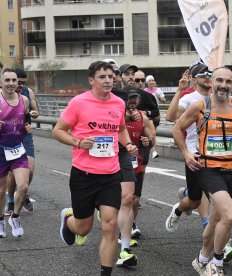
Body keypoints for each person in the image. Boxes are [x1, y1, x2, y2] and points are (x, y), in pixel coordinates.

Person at [52, 61, 138, 276]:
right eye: (102, 77)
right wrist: (78, 142)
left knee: (110, 226)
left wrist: (127, 143)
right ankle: (68, 221)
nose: (108, 80)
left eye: (111, 76)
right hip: (84, 174)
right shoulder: (78, 103)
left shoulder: (119, 103)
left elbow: (120, 129)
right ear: (91, 80)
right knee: (84, 228)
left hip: (111, 173)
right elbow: (58, 131)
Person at [172, 67, 232, 275]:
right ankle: (217, 263)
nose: (223, 85)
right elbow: (176, 128)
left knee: (216, 219)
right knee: (229, 216)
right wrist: (186, 153)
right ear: (212, 82)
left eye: (228, 82)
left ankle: (201, 258)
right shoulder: (199, 106)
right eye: (219, 80)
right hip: (209, 169)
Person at [165, 63, 211, 232]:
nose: (207, 76)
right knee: (194, 200)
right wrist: (179, 90)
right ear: (194, 79)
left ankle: (215, 234)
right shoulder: (188, 98)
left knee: (217, 195)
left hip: (216, 154)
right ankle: (178, 209)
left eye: (210, 73)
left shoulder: (218, 97)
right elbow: (170, 117)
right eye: (203, 74)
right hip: (195, 154)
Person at [0, 68, 31, 238]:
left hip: (17, 149)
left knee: (24, 186)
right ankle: (0, 221)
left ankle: (16, 217)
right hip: (0, 150)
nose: (11, 83)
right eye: (7, 80)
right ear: (1, 83)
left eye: (14, 80)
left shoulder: (24, 100)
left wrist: (27, 127)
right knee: (0, 191)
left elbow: (25, 120)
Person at [5, 67, 39, 215]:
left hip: (24, 134)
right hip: (8, 136)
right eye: (18, 81)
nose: (20, 85)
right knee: (12, 172)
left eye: (22, 82)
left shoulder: (27, 93)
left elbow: (35, 112)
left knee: (30, 170)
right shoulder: (2, 94)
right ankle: (11, 200)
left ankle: (23, 193)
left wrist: (33, 113)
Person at [125, 90, 153, 251]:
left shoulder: (142, 117)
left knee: (134, 199)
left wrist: (146, 140)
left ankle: (130, 223)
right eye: (129, 98)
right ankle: (124, 231)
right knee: (124, 199)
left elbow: (151, 139)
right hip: (117, 163)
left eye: (135, 98)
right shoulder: (117, 115)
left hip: (136, 163)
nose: (132, 101)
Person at [133, 69, 160, 159]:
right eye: (137, 80)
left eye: (142, 80)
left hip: (143, 131)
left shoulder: (147, 95)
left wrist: (146, 113)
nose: (140, 83)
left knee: (142, 165)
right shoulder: (123, 93)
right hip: (128, 132)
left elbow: (156, 111)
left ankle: (154, 150)